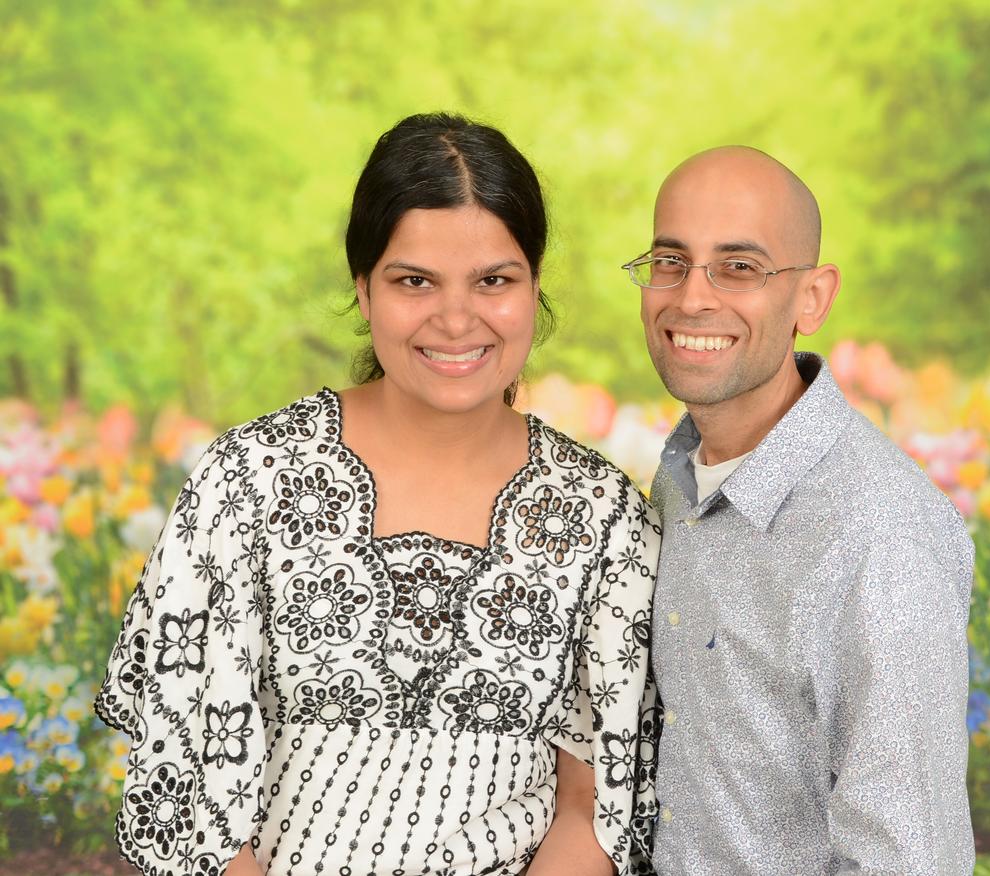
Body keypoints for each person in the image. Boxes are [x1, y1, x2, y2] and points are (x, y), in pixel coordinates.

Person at [95, 113, 660, 876]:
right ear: (363, 290)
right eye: (414, 281)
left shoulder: (603, 518)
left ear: (532, 288)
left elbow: (593, 807)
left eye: (493, 280)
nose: (456, 319)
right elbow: (188, 786)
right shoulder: (246, 483)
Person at [623, 146, 974, 874]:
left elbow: (908, 857)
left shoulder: (878, 532)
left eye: (739, 267)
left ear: (812, 298)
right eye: (670, 261)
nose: (691, 297)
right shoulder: (683, 475)